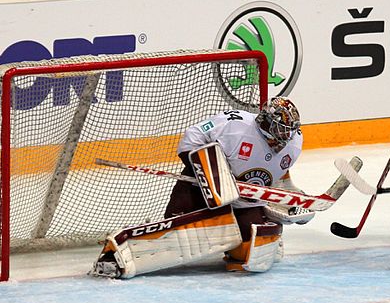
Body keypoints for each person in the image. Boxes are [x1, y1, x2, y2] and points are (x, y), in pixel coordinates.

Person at [91, 97, 312, 278]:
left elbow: (281, 174)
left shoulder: (294, 142)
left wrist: (289, 196)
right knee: (175, 233)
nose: (284, 137)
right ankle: (117, 255)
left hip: (244, 202)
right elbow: (191, 138)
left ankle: (237, 240)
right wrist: (214, 176)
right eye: (280, 130)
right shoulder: (234, 125)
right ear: (265, 121)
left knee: (250, 249)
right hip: (202, 188)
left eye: (288, 131)